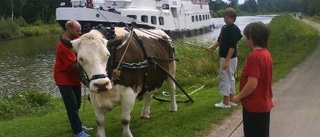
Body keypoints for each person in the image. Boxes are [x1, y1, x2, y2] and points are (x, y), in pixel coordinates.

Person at [231, 22, 273, 137]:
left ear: (251, 36)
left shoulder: (254, 56)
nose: (244, 39)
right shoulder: (266, 53)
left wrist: (238, 97)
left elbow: (252, 85)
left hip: (254, 107)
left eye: (245, 36)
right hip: (264, 105)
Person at [53, 20, 90, 137]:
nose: (80, 32)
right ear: (69, 29)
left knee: (77, 104)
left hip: (75, 79)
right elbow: (74, 65)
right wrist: (91, 62)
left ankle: (78, 125)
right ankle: (78, 131)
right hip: (64, 79)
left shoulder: (76, 40)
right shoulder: (63, 46)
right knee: (72, 106)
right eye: (77, 30)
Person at [207, 7, 242, 108]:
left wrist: (226, 60)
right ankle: (231, 99)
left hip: (229, 58)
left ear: (233, 18)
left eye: (228, 18)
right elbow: (219, 40)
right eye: (225, 18)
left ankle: (226, 103)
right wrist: (212, 47)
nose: (225, 20)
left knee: (225, 78)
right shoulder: (224, 28)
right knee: (230, 77)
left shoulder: (234, 29)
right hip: (224, 57)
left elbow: (232, 46)